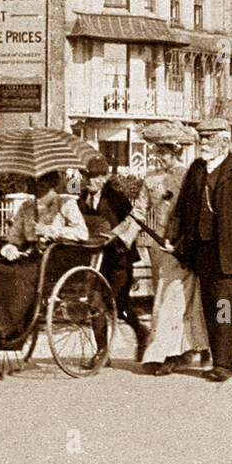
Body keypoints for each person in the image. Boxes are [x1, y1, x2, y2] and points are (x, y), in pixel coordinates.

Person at [172, 119, 232, 383]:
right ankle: (223, 359)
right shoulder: (196, 169)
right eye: (201, 138)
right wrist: (176, 240)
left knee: (223, 307)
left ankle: (225, 364)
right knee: (209, 307)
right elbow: (183, 209)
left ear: (224, 142)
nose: (202, 144)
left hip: (229, 254)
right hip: (201, 252)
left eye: (208, 139)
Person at [0, 171, 89, 342]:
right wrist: (10, 247)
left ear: (50, 182)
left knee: (22, 275)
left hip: (55, 257)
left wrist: (50, 230)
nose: (35, 184)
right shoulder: (26, 206)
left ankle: (11, 325)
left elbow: (82, 233)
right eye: (32, 180)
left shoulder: (65, 203)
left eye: (40, 180)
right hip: (30, 254)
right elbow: (14, 236)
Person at [137, 134, 209, 376]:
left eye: (165, 153)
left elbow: (193, 212)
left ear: (176, 153)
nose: (160, 158)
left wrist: (185, 244)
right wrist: (120, 235)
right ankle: (187, 349)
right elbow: (139, 211)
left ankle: (169, 354)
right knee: (167, 300)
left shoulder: (187, 177)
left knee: (174, 300)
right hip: (159, 247)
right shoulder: (150, 179)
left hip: (182, 246)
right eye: (157, 153)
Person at [78, 154, 149, 359]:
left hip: (118, 259)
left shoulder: (116, 198)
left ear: (104, 178)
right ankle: (102, 352)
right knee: (95, 302)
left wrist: (116, 236)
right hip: (95, 258)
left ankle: (141, 332)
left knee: (119, 303)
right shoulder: (82, 198)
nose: (89, 181)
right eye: (86, 176)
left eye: (93, 177)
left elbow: (132, 224)